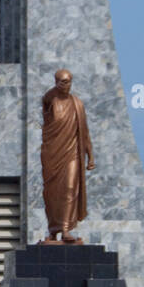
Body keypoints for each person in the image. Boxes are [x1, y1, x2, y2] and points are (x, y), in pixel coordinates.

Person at [41, 69, 95, 243]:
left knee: (70, 188)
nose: (66, 85)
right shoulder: (51, 101)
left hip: (72, 153)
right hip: (52, 155)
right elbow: (45, 98)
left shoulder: (77, 104)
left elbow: (84, 133)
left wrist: (90, 156)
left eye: (69, 82)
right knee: (52, 193)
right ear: (56, 82)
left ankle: (65, 229)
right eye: (62, 82)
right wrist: (55, 88)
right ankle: (53, 230)